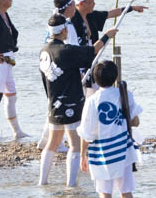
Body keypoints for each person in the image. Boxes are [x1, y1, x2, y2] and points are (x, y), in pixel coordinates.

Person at [38, 14, 117, 187]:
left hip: (53, 102)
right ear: (63, 30)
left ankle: (42, 182)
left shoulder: (44, 51)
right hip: (71, 103)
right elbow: (92, 51)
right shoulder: (66, 51)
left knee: (52, 143)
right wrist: (107, 35)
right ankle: (71, 185)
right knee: (74, 144)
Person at [78, 60, 141, 198]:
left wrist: (83, 155)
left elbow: (85, 132)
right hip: (123, 150)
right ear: (115, 77)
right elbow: (136, 122)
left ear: (95, 79)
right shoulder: (125, 95)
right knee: (126, 192)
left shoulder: (92, 101)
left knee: (105, 194)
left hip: (101, 153)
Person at [0, 0, 28, 141]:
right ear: (2, 0)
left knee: (11, 95)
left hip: (8, 58)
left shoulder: (5, 14)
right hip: (0, 59)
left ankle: (17, 131)